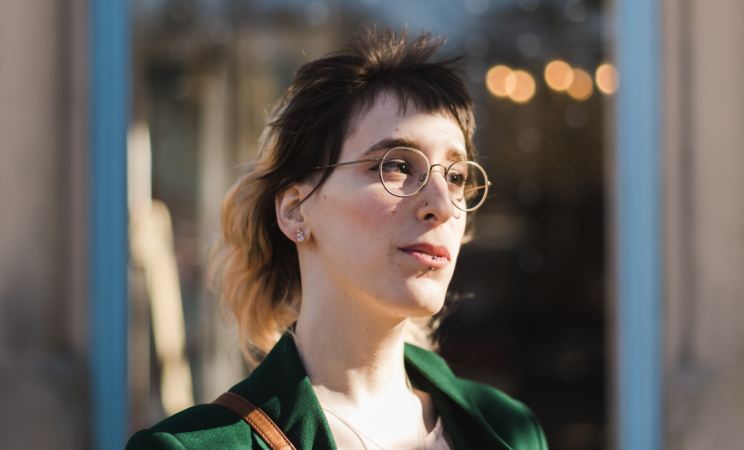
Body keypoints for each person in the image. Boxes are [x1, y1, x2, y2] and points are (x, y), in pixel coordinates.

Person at [126, 29, 547, 450]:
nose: (442, 203)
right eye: (397, 166)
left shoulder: (511, 429)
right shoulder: (195, 446)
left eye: (455, 177)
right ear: (295, 209)